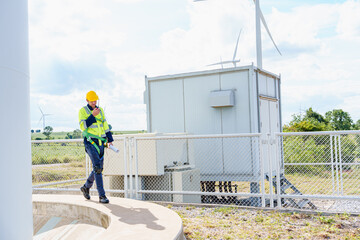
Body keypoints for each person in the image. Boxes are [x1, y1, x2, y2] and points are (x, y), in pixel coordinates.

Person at [79, 91, 114, 203]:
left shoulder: (101, 110)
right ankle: (102, 196)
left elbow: (105, 125)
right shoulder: (83, 111)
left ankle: (86, 187)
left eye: (95, 100)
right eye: (92, 100)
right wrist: (92, 116)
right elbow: (83, 127)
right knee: (98, 167)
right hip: (90, 142)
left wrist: (110, 139)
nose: (94, 102)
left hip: (101, 142)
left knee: (98, 168)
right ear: (87, 100)